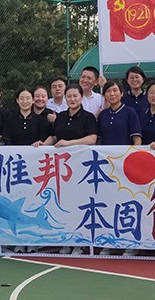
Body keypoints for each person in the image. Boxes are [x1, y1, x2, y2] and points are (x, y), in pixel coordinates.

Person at [40, 84, 98, 256]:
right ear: (65, 98)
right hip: (61, 168)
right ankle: (66, 239)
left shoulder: (88, 117)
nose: (72, 99)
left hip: (82, 167)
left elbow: (92, 138)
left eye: (75, 96)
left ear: (81, 97)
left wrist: (69, 143)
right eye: (69, 96)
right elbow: (54, 137)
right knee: (63, 203)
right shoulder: (61, 117)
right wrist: (42, 145)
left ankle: (80, 242)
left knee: (80, 203)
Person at [97, 80, 141, 146]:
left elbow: (136, 138)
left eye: (115, 90)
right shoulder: (102, 115)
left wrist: (136, 150)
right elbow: (99, 138)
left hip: (125, 151)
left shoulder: (130, 112)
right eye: (108, 91)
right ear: (104, 95)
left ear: (121, 93)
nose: (112, 94)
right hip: (105, 152)